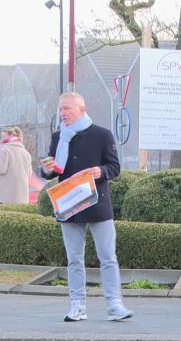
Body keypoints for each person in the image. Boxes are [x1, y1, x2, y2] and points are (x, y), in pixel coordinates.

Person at [41, 92, 133, 322]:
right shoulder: (57, 136)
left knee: (108, 257)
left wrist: (101, 171)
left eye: (67, 109)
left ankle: (115, 304)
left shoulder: (102, 134)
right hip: (68, 207)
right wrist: (46, 169)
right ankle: (77, 305)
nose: (62, 113)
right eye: (61, 109)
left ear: (81, 109)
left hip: (97, 205)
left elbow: (115, 167)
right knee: (74, 259)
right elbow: (49, 170)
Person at [0, 126, 32, 204]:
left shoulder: (4, 150)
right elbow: (29, 174)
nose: (1, 138)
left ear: (11, 136)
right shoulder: (26, 153)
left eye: (4, 136)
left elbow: (0, 169)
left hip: (6, 195)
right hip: (22, 195)